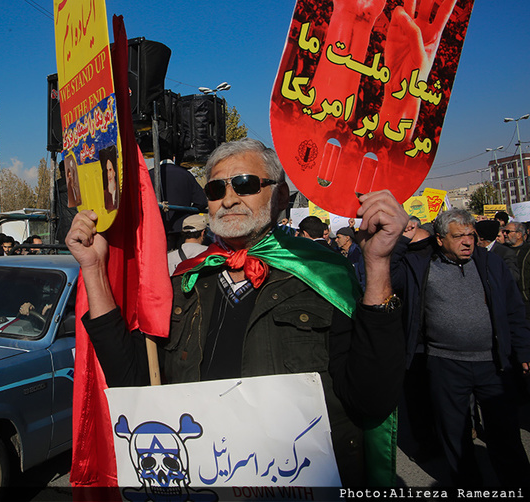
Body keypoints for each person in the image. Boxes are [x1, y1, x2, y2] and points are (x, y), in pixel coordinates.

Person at [66, 138, 407, 485]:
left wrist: (377, 263)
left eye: (245, 184)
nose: (228, 199)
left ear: (281, 196)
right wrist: (94, 269)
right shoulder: (185, 283)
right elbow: (134, 383)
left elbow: (371, 400)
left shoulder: (325, 277)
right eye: (216, 189)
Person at [392, 209, 530, 487]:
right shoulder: (421, 265)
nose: (467, 241)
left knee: (504, 432)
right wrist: (403, 239)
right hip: (445, 364)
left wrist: (524, 351)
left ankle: (518, 486)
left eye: (470, 235)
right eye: (458, 236)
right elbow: (389, 275)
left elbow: (514, 310)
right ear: (440, 239)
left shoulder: (491, 262)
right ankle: (468, 486)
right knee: (455, 434)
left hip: (493, 363)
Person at [151, 154, 209, 250]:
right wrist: (187, 214)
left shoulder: (148, 175)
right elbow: (202, 201)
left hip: (156, 228)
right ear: (173, 157)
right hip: (182, 228)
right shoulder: (186, 174)